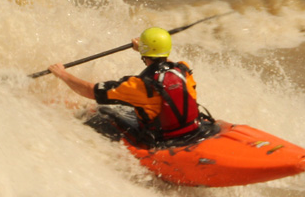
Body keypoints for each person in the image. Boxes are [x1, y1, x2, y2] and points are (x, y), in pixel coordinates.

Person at [48, 27, 207, 145]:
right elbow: (164, 64)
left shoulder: (138, 86)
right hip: (193, 129)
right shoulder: (184, 70)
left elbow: (91, 91)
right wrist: (144, 49)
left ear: (146, 53)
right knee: (134, 109)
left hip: (163, 139)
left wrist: (62, 74)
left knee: (99, 112)